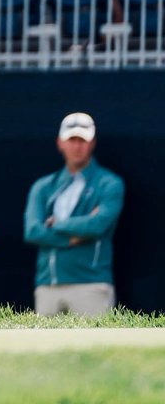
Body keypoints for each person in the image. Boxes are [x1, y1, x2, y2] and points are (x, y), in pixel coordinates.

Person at [24, 112, 124, 316]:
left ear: (92, 143)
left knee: (98, 348)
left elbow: (97, 226)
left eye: (82, 140)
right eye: (72, 140)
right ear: (60, 143)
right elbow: (33, 231)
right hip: (47, 286)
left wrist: (56, 224)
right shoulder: (43, 187)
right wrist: (72, 238)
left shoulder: (109, 183)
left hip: (91, 285)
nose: (77, 146)